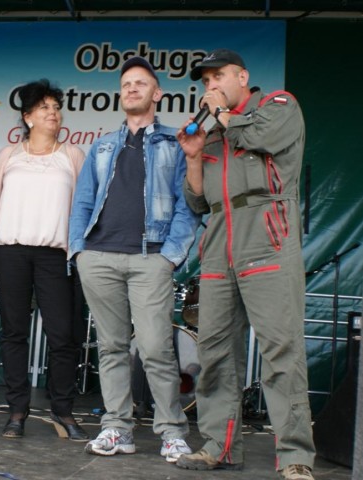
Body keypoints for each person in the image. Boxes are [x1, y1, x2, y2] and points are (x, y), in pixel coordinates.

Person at [174, 49, 316, 480]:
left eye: (218, 76)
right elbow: (197, 201)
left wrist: (222, 115)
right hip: (219, 243)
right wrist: (193, 156)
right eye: (205, 81)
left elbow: (263, 138)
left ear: (242, 77)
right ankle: (219, 446)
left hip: (267, 238)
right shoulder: (212, 132)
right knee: (215, 351)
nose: (210, 86)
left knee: (281, 351)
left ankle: (294, 456)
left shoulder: (277, 106)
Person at [68, 57, 201, 461]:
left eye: (141, 83)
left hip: (150, 258)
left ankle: (172, 432)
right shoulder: (103, 145)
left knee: (156, 348)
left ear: (157, 93)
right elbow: (83, 201)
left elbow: (188, 204)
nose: (131, 88)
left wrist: (170, 256)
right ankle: (116, 428)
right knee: (111, 348)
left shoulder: (173, 143)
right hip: (99, 257)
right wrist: (79, 250)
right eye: (126, 83)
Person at [0, 79, 89, 442]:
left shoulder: (72, 156)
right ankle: (17, 411)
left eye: (56, 108)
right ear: (27, 116)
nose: (53, 113)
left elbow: (83, 208)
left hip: (55, 255)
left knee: (63, 335)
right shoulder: (7, 157)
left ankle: (62, 410)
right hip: (10, 252)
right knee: (14, 332)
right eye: (44, 107)